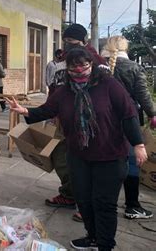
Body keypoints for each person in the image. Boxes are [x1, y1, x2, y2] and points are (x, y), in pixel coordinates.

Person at [7, 47, 147, 251]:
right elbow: (48, 110)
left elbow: (128, 114)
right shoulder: (64, 91)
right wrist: (25, 111)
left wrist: (138, 144)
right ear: (68, 68)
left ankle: (105, 245)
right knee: (84, 200)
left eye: (83, 65)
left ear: (91, 64)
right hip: (78, 155)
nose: (79, 70)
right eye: (74, 66)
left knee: (104, 204)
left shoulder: (108, 85)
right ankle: (92, 237)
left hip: (110, 155)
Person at [45, 24, 106, 222]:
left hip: (86, 121)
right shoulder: (62, 59)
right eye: (66, 41)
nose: (68, 45)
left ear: (82, 41)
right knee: (61, 156)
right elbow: (55, 86)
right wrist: (50, 110)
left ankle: (87, 204)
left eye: (71, 41)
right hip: (63, 117)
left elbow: (106, 90)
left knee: (85, 161)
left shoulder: (94, 60)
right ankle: (70, 194)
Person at [102, 35, 155, 220]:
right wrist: (153, 114)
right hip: (128, 122)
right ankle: (132, 205)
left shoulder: (100, 68)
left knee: (107, 161)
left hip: (104, 121)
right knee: (132, 162)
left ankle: (100, 205)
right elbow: (143, 96)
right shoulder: (133, 68)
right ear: (126, 48)